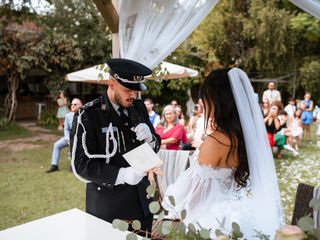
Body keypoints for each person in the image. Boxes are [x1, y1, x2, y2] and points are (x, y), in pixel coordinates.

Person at [162, 68, 283, 238]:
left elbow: (193, 198)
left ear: (218, 100)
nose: (203, 103)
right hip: (240, 214)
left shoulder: (215, 141)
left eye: (206, 98)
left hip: (211, 220)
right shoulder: (245, 137)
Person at [70, 58, 161, 235]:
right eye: (128, 89)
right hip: (110, 207)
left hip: (142, 202)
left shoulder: (139, 108)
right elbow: (80, 164)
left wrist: (151, 140)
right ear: (111, 84)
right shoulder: (89, 114)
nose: (133, 95)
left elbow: (156, 143)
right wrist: (121, 174)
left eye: (136, 90)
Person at [46, 98, 82, 173]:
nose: (72, 106)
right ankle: (54, 165)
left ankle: (73, 166)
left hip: (80, 139)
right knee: (56, 145)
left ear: (80, 105)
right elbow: (66, 129)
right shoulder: (68, 116)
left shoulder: (84, 115)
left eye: (75, 104)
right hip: (69, 138)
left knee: (74, 146)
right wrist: (67, 138)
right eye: (72, 104)